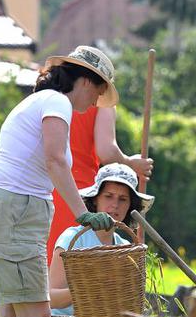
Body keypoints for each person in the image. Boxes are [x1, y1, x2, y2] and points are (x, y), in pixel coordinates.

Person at [0, 45, 118, 317]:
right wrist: (83, 212)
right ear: (87, 81)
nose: (96, 102)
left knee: (10, 315)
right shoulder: (57, 103)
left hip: (5, 211)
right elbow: (56, 160)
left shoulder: (38, 102)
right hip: (15, 213)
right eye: (98, 92)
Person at [45, 103, 153, 263]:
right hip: (78, 195)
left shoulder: (50, 96)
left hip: (46, 189)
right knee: (85, 268)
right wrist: (131, 163)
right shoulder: (103, 98)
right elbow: (106, 151)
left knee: (48, 265)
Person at [48, 163, 154, 315]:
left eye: (123, 199)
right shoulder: (72, 238)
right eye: (108, 196)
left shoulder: (125, 247)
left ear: (130, 205)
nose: (115, 205)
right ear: (95, 199)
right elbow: (51, 298)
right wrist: (87, 289)